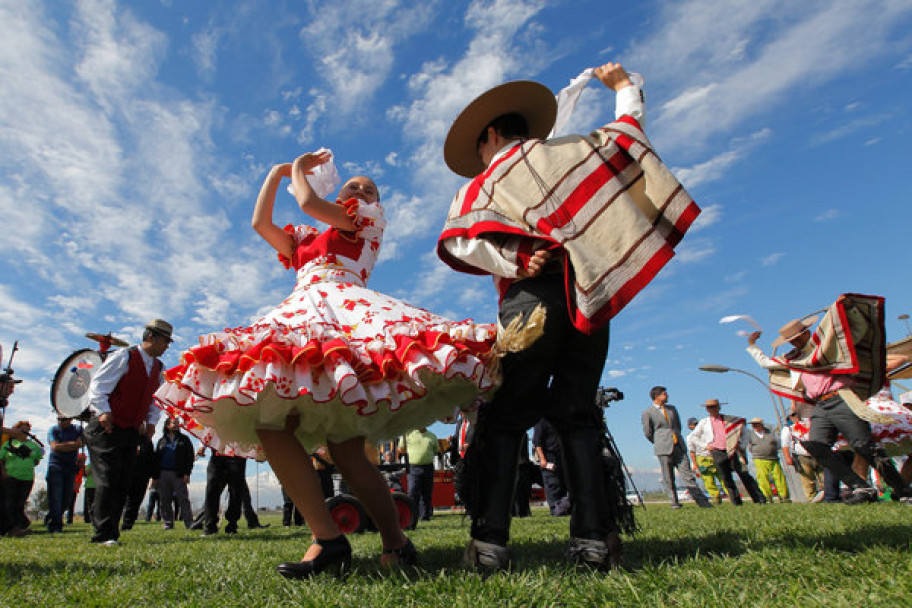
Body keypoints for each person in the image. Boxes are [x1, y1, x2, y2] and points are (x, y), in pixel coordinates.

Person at [154, 151, 497, 578]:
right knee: (272, 424)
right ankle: (328, 538)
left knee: (349, 454)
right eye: (352, 185)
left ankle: (395, 540)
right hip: (303, 313)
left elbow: (308, 203)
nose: (359, 190)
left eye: (367, 187)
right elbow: (261, 225)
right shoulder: (306, 237)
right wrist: (275, 173)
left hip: (348, 312)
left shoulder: (365, 220)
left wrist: (297, 168)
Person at [437, 60, 699, 571]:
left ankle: (490, 544)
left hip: (529, 302)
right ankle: (593, 542)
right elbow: (627, 137)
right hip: (588, 294)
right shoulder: (573, 150)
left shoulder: (488, 181)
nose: (480, 158)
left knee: (508, 413)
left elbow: (462, 240)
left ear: (491, 134)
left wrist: (516, 258)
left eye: (479, 148)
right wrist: (625, 87)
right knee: (577, 414)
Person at [745, 295, 912, 504]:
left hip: (841, 398)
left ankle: (904, 491)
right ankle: (860, 486)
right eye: (791, 341)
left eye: (797, 338)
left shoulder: (826, 347)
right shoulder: (794, 359)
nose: (794, 343)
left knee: (864, 446)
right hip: (821, 405)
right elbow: (766, 363)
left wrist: (842, 306)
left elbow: (841, 328)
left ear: (806, 333)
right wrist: (752, 345)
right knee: (815, 444)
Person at [86, 319, 171, 545]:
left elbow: (155, 400)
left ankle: (111, 531)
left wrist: (152, 422)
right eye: (165, 340)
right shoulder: (124, 356)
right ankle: (103, 534)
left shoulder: (158, 368)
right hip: (106, 427)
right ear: (150, 337)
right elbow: (98, 386)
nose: (167, 346)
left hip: (130, 430)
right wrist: (103, 412)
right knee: (107, 478)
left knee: (124, 481)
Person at [642, 387, 712, 509]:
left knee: (688, 475)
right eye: (664, 394)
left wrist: (676, 438)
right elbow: (648, 433)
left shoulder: (672, 409)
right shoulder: (647, 412)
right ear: (657, 396)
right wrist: (659, 441)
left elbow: (678, 426)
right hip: (663, 448)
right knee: (668, 477)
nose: (667, 395)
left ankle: (702, 502)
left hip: (678, 445)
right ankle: (674, 503)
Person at [689, 400, 767, 506]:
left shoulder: (730, 420)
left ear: (719, 407)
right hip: (717, 451)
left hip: (733, 450)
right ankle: (736, 502)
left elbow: (745, 432)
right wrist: (705, 445)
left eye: (714, 407)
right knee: (726, 477)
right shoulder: (704, 422)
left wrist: (741, 445)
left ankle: (759, 499)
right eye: (709, 407)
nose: (712, 409)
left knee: (744, 474)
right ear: (707, 409)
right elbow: (694, 436)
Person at [0, 420, 44, 536]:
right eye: (22, 429)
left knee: (20, 503)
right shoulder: (8, 444)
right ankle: (12, 528)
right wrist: (4, 472)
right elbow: (2, 459)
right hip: (11, 477)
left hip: (27, 478)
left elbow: (37, 460)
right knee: (9, 502)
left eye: (27, 430)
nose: (25, 432)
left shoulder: (33, 445)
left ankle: (19, 526)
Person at [152, 417, 195, 530]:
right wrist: (155, 477)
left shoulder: (184, 440)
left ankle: (189, 523)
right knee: (164, 500)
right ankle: (168, 523)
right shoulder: (161, 441)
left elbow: (189, 457)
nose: (176, 425)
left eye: (177, 423)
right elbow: (156, 460)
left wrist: (187, 473)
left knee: (183, 499)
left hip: (178, 474)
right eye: (173, 423)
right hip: (163, 473)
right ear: (167, 425)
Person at [45, 415, 84, 533]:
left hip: (71, 468)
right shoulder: (53, 430)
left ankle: (51, 517)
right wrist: (75, 444)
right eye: (59, 419)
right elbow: (55, 447)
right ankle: (56, 526)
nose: (61, 422)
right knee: (55, 496)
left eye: (64, 419)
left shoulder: (78, 429)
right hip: (55, 467)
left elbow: (83, 443)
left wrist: (68, 445)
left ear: (71, 419)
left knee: (66, 498)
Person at [780, 412, 823, 502]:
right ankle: (812, 498)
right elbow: (785, 444)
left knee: (824, 476)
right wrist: (787, 458)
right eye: (792, 415)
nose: (795, 417)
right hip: (802, 456)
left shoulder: (809, 423)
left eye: (796, 414)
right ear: (790, 418)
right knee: (807, 479)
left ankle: (827, 495)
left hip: (818, 453)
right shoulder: (788, 429)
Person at [398, 428, 438, 523]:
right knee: (412, 491)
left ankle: (425, 516)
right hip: (413, 467)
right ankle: (412, 516)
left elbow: (435, 451)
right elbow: (401, 449)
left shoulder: (432, 436)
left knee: (426, 493)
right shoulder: (407, 433)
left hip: (428, 467)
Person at [532, 418, 570, 516]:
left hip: (561, 455)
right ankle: (555, 509)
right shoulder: (541, 421)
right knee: (553, 483)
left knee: (563, 483)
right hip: (549, 455)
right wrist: (543, 460)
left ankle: (563, 509)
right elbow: (537, 442)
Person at [747, 418, 790, 503]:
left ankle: (784, 497)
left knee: (779, 477)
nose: (755, 426)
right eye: (753, 424)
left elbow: (778, 443)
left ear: (762, 424)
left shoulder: (771, 432)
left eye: (756, 424)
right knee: (762, 478)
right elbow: (750, 447)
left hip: (773, 458)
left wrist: (772, 450)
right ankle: (767, 497)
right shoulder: (750, 435)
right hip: (759, 459)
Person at [686, 417, 724, 504]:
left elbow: (692, 452)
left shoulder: (690, 437)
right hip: (714, 456)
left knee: (708, 481)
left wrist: (695, 464)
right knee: (722, 477)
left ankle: (716, 499)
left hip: (702, 459)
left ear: (690, 426)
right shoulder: (707, 433)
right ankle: (731, 496)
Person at [121, 435, 155, 530]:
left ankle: (127, 525)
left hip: (142, 474)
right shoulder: (126, 436)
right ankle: (112, 523)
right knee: (120, 499)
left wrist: (153, 476)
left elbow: (151, 458)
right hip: (125, 472)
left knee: (135, 501)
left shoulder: (147, 441)